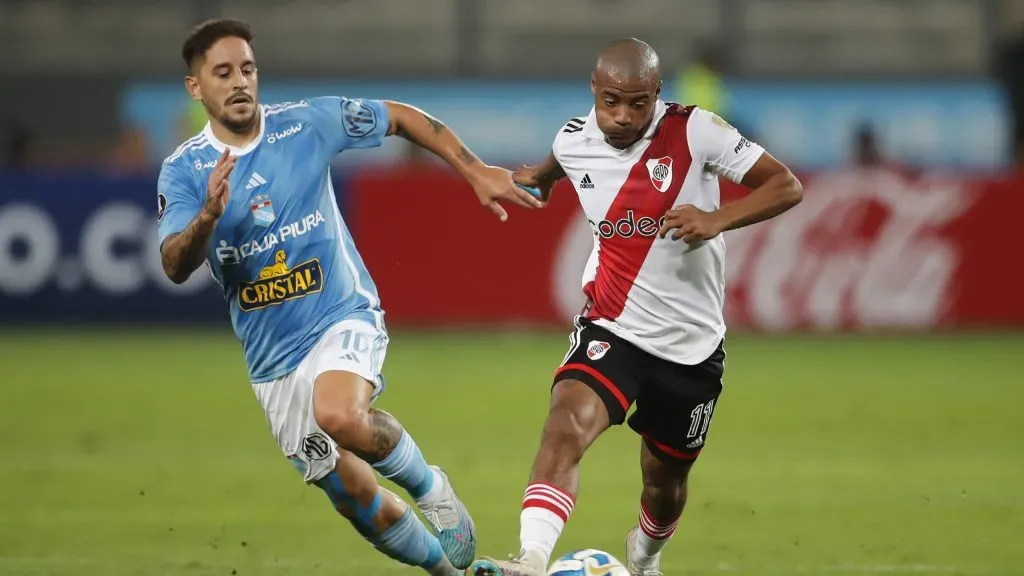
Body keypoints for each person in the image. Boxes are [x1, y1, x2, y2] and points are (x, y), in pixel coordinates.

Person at [156, 19, 543, 576]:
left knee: (338, 413)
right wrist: (208, 219)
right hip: (273, 364)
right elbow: (173, 263)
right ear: (196, 87)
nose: (239, 82)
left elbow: (401, 117)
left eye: (247, 69)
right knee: (355, 498)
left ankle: (432, 488)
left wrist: (474, 169)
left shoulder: (306, 124)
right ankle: (453, 574)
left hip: (341, 314)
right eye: (223, 73)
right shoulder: (185, 171)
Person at [469, 38, 802, 576]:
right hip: (614, 327)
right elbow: (560, 162)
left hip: (691, 347)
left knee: (664, 483)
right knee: (564, 425)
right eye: (610, 102)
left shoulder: (697, 130)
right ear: (594, 93)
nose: (622, 116)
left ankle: (645, 560)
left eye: (637, 103)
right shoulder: (574, 138)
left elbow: (785, 185)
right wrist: (542, 179)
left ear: (657, 96)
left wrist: (717, 220)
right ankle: (529, 561)